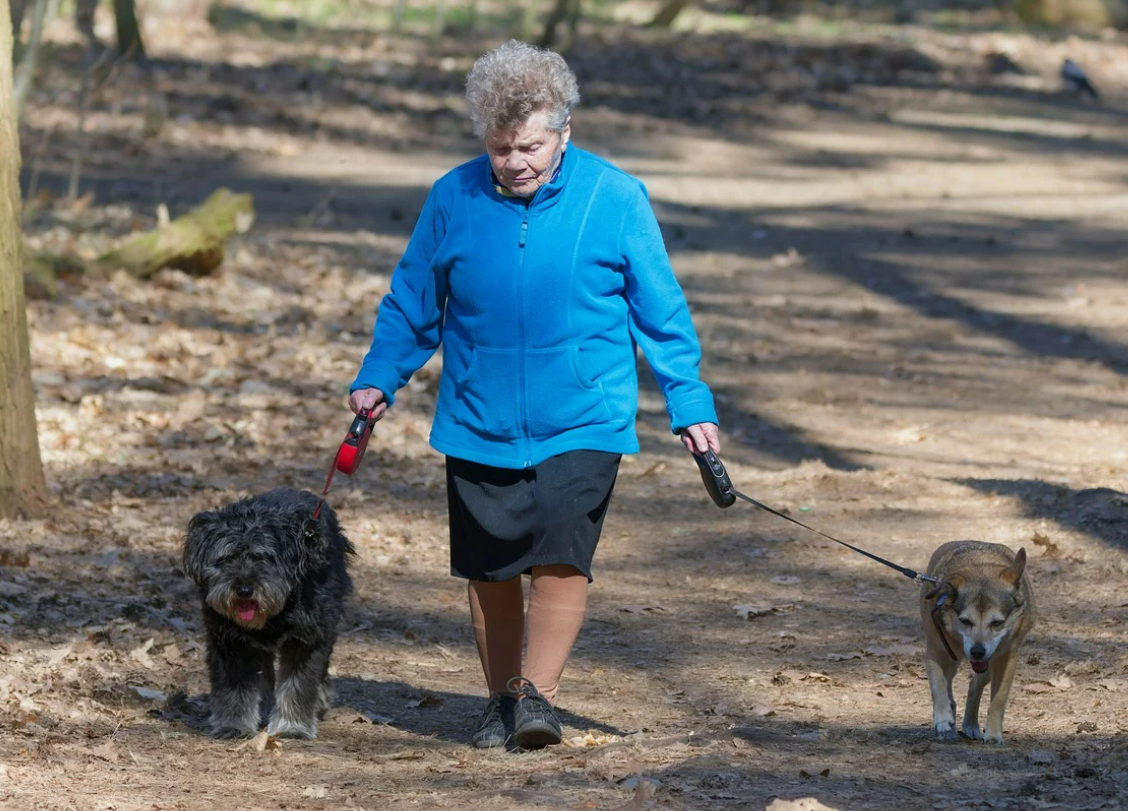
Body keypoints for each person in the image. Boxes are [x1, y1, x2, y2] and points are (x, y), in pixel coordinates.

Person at [349, 39, 720, 751]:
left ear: (564, 132)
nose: (515, 162)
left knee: (559, 551)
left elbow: (662, 313)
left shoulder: (615, 198)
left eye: (530, 146)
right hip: (477, 413)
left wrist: (689, 400)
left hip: (583, 412)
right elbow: (412, 301)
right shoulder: (452, 198)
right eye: (500, 148)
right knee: (490, 567)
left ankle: (537, 697)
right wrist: (380, 374)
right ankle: (498, 698)